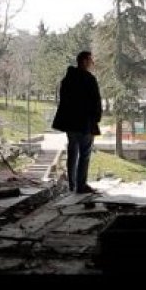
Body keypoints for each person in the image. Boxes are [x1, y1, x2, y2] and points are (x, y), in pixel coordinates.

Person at [51, 51, 102, 194]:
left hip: (70, 123)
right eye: (90, 60)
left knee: (72, 152)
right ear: (84, 61)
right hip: (85, 123)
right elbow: (96, 102)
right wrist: (96, 119)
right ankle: (81, 185)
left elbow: (63, 102)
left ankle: (72, 185)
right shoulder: (89, 79)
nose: (92, 63)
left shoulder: (67, 79)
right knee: (85, 154)